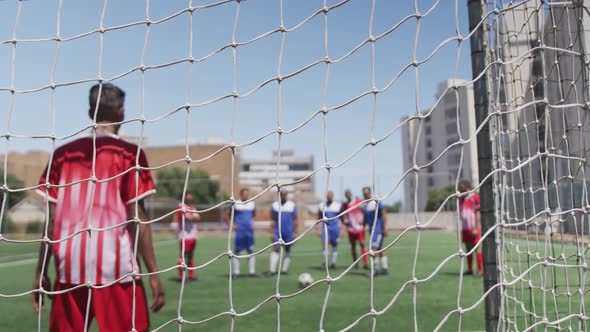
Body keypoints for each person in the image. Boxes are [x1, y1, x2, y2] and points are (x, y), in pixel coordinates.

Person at [32, 83, 165, 332]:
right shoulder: (129, 154)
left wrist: (40, 270)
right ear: (122, 112)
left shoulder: (61, 154)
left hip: (69, 269)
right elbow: (138, 218)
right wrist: (154, 274)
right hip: (117, 271)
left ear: (90, 112)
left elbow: (50, 221)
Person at [225, 188, 257, 278]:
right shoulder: (236, 203)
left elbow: (254, 214)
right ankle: (236, 272)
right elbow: (227, 214)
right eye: (245, 194)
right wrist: (232, 225)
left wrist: (252, 223)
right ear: (241, 195)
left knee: (251, 250)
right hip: (240, 231)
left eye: (248, 194)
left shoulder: (252, 204)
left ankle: (252, 272)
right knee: (237, 251)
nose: (246, 196)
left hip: (249, 231)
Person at [174, 192, 201, 281]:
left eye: (191, 194)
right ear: (184, 196)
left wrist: (192, 216)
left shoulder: (192, 207)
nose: (190, 196)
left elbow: (198, 218)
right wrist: (193, 217)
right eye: (188, 195)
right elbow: (188, 218)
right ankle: (181, 276)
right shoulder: (180, 206)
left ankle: (191, 275)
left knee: (190, 256)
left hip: (193, 235)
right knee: (183, 255)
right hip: (184, 236)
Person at [269, 190, 297, 275]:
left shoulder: (292, 205)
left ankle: (284, 270)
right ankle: (272, 270)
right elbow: (272, 220)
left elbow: (295, 219)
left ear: (287, 195)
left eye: (285, 195)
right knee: (276, 249)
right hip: (277, 231)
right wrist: (272, 232)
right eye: (282, 195)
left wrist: (294, 232)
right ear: (279, 195)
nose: (283, 196)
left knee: (287, 249)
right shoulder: (274, 205)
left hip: (289, 231)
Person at [362, 187, 389, 275]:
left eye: (367, 193)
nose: (366, 195)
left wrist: (385, 227)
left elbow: (383, 213)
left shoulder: (375, 202)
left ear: (370, 193)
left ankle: (375, 269)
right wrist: (363, 228)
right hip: (371, 230)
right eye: (364, 194)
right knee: (380, 249)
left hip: (378, 229)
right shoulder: (365, 206)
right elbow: (365, 219)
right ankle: (384, 268)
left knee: (373, 249)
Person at [458, 180, 483, 276]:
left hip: (474, 228)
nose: (460, 188)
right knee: (468, 249)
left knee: (477, 248)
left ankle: (481, 270)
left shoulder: (474, 197)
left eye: (462, 186)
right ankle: (470, 269)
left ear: (467, 187)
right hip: (465, 228)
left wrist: (476, 227)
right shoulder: (461, 199)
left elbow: (477, 213)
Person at [342, 190, 368, 269]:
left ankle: (365, 263)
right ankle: (355, 263)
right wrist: (344, 222)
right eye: (346, 195)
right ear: (345, 196)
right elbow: (343, 215)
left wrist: (364, 220)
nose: (348, 196)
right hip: (351, 229)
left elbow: (365, 209)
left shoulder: (358, 201)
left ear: (351, 194)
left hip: (359, 228)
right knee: (353, 246)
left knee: (362, 244)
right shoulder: (345, 205)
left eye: (349, 194)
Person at [317, 191, 343, 269]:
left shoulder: (338, 205)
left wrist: (343, 229)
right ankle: (325, 263)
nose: (329, 197)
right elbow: (319, 218)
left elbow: (342, 218)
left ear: (333, 196)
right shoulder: (322, 205)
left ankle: (334, 263)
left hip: (335, 228)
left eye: (330, 196)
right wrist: (318, 229)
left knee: (334, 245)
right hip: (325, 228)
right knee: (325, 245)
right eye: (328, 196)